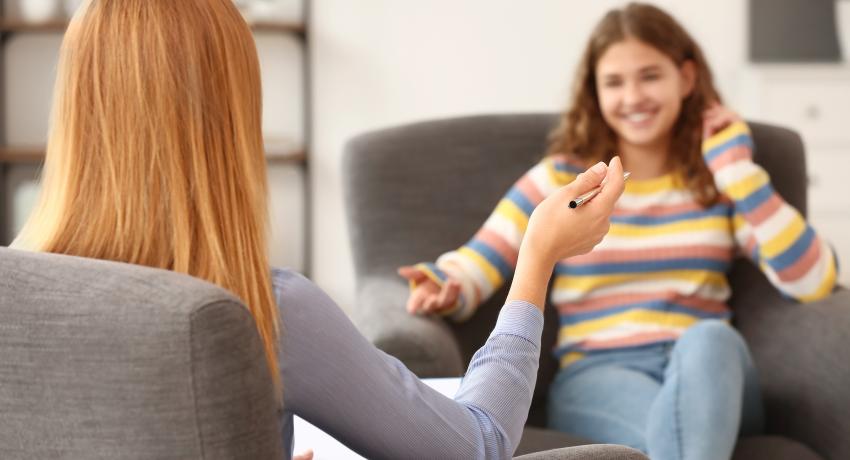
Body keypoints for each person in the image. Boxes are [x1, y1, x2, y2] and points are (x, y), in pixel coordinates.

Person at [10, 0, 626, 458]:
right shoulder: (260, 312)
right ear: (225, 124)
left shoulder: (16, 290)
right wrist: (538, 258)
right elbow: (478, 446)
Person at [399, 3, 838, 459]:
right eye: (614, 82)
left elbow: (813, 279)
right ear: (595, 92)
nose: (633, 97)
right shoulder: (565, 179)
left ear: (686, 79)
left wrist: (738, 171)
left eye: (650, 76)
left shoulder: (719, 181)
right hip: (600, 372)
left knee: (711, 339)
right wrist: (447, 284)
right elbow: (487, 255)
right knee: (675, 440)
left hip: (712, 373)